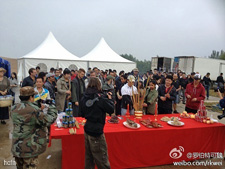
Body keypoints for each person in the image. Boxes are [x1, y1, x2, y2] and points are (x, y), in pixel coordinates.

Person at [11, 86, 57, 169]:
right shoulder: (34, 110)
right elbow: (49, 120)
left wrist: (36, 105)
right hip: (29, 149)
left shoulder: (14, 108)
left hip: (17, 148)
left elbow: (25, 111)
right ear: (31, 97)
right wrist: (52, 107)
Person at [80, 77, 114, 169]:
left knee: (89, 158)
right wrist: (109, 99)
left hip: (87, 129)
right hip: (96, 132)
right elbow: (111, 109)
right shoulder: (100, 99)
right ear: (99, 85)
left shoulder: (84, 97)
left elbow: (82, 113)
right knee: (102, 160)